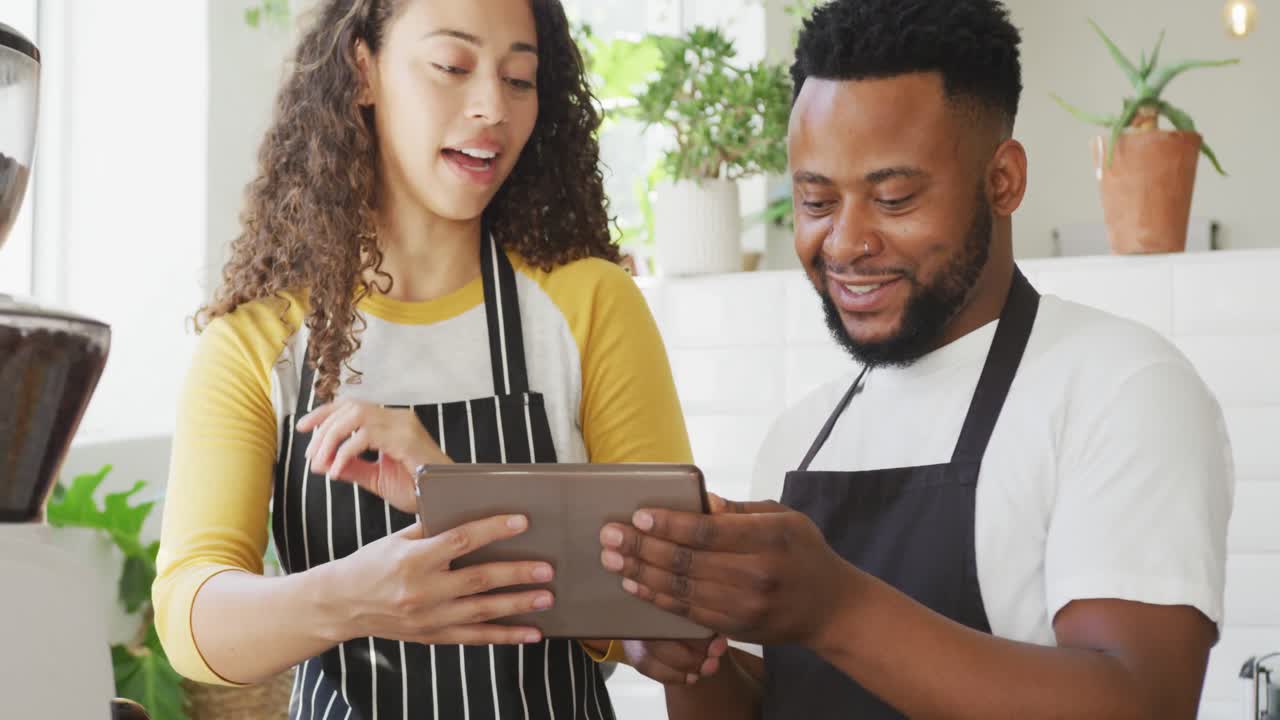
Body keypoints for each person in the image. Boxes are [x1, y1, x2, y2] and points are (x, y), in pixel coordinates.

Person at [596, 0, 1234, 717]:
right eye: (815, 200)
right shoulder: (802, 436)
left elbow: (1140, 702)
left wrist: (835, 608)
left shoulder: (1122, 388)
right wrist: (690, 651)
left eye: (893, 198)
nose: (844, 242)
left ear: (1003, 182)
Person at [152, 1, 718, 718]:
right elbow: (188, 615)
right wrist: (351, 597)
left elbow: (665, 590)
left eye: (519, 79)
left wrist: (451, 493)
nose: (491, 107)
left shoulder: (589, 305)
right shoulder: (260, 341)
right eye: (452, 67)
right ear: (363, 71)